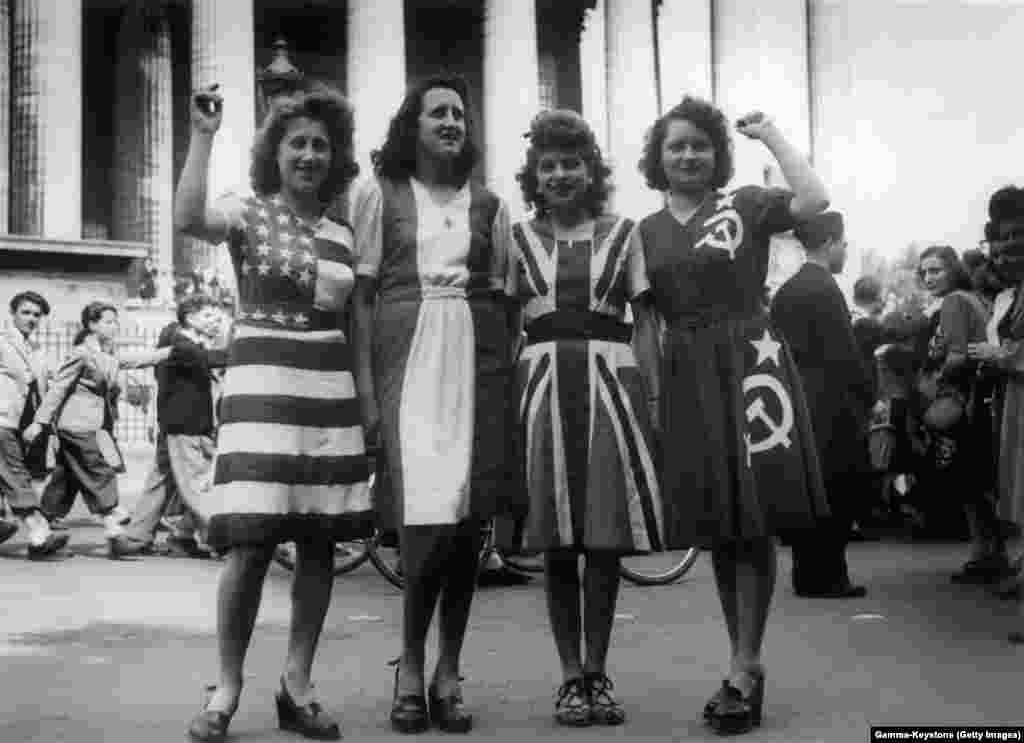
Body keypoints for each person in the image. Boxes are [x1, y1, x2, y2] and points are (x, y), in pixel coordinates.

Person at [175, 82, 372, 742]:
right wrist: (203, 135)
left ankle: (297, 682)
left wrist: (367, 405)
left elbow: (358, 324)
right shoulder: (246, 211)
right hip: (261, 389)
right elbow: (186, 218)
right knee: (250, 544)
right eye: (297, 143)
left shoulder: (346, 231)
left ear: (335, 156)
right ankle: (227, 686)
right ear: (275, 153)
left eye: (321, 144)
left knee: (318, 541)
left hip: (329, 393)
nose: (310, 155)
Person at [631, 96, 830, 735]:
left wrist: (770, 135)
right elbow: (645, 323)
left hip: (751, 366)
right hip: (688, 373)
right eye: (676, 146)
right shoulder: (645, 232)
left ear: (718, 152)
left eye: (700, 145)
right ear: (657, 159)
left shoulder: (744, 203)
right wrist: (653, 396)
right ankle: (741, 657)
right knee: (720, 524)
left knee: (755, 519)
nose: (689, 155)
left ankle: (746, 664)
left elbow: (815, 201)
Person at [350, 73, 517, 735]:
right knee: (423, 528)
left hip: (476, 364)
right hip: (408, 362)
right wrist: (367, 392)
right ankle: (411, 665)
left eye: (459, 112)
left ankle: (450, 669)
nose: (451, 121)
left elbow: (506, 303)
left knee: (469, 527)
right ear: (410, 125)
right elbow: (361, 300)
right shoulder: (379, 195)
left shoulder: (491, 205)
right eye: (437, 112)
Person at [506, 109, 663, 726]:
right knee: (557, 545)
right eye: (548, 165)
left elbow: (647, 323)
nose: (560, 174)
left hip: (610, 389)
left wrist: (651, 399)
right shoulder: (517, 239)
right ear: (535, 176)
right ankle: (569, 675)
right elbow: (502, 324)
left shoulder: (624, 234)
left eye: (571, 163)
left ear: (591, 171)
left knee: (602, 541)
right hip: (541, 391)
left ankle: (598, 671)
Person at [770, 212, 873, 598]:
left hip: (795, 400)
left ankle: (806, 571)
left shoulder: (788, 289)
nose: (845, 250)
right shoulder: (825, 287)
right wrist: (866, 394)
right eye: (843, 243)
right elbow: (844, 353)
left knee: (809, 491)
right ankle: (830, 575)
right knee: (837, 489)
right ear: (829, 242)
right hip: (830, 402)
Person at [24, 301, 171, 558]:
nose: (114, 327)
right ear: (92, 325)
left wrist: (171, 351)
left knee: (65, 480)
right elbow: (58, 388)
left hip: (89, 425)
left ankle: (40, 537)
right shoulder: (81, 353)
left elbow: (137, 360)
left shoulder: (107, 354)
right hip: (76, 425)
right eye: (107, 322)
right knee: (100, 471)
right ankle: (114, 531)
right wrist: (40, 421)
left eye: (115, 322)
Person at [913, 245, 1009, 576]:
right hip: (985, 397)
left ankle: (985, 555)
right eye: (924, 271)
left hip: (962, 400)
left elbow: (957, 356)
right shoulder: (976, 298)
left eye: (936, 270)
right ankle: (992, 553)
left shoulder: (953, 302)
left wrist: (933, 376)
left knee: (970, 482)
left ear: (952, 270)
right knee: (982, 480)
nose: (928, 277)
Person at [122, 294, 227, 557]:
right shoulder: (184, 346)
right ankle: (219, 539)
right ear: (190, 319)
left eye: (218, 318)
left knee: (160, 481)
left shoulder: (185, 344)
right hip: (186, 427)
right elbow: (215, 358)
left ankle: (136, 537)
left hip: (176, 425)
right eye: (208, 317)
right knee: (196, 484)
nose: (215, 323)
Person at [968, 187, 1024, 613]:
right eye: (1001, 239)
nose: (1007, 247)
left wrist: (999, 355)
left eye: (1016, 235)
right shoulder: (1013, 292)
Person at [0, 291, 69, 558]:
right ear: (13, 313)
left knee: (11, 473)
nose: (31, 319)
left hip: (22, 424)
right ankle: (39, 532)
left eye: (36, 315)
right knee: (14, 474)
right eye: (26, 313)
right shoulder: (3, 343)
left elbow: (51, 382)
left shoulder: (39, 350)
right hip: (2, 419)